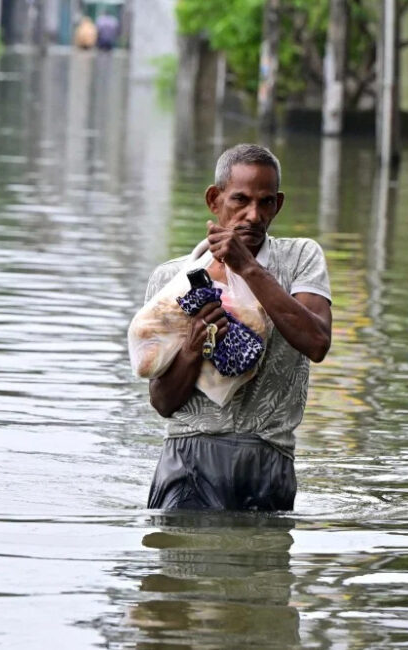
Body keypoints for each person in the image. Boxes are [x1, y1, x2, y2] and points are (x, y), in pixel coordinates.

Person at [140, 143, 333, 511]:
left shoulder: (300, 258)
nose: (253, 215)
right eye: (240, 201)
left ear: (278, 205)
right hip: (188, 459)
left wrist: (248, 268)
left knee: (261, 566)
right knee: (182, 564)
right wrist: (192, 349)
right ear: (215, 200)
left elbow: (317, 342)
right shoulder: (172, 279)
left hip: (267, 457)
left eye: (265, 203)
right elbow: (163, 403)